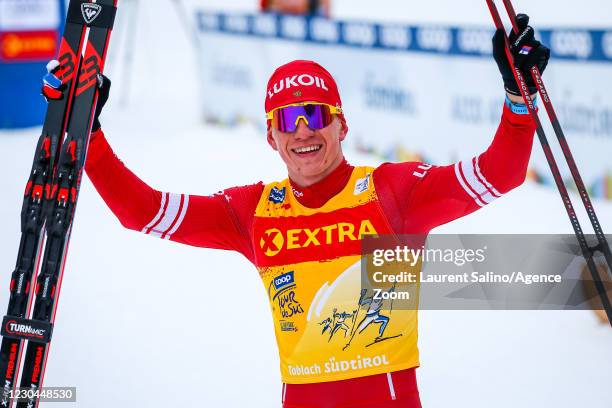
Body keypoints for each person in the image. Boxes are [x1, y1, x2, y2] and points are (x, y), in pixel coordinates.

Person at [43, 14, 549, 408]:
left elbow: (496, 175)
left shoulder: (392, 192)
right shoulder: (253, 212)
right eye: (287, 119)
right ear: (271, 137)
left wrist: (517, 98)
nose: (303, 131)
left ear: (341, 126)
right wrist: (90, 134)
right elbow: (144, 212)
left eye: (315, 115)